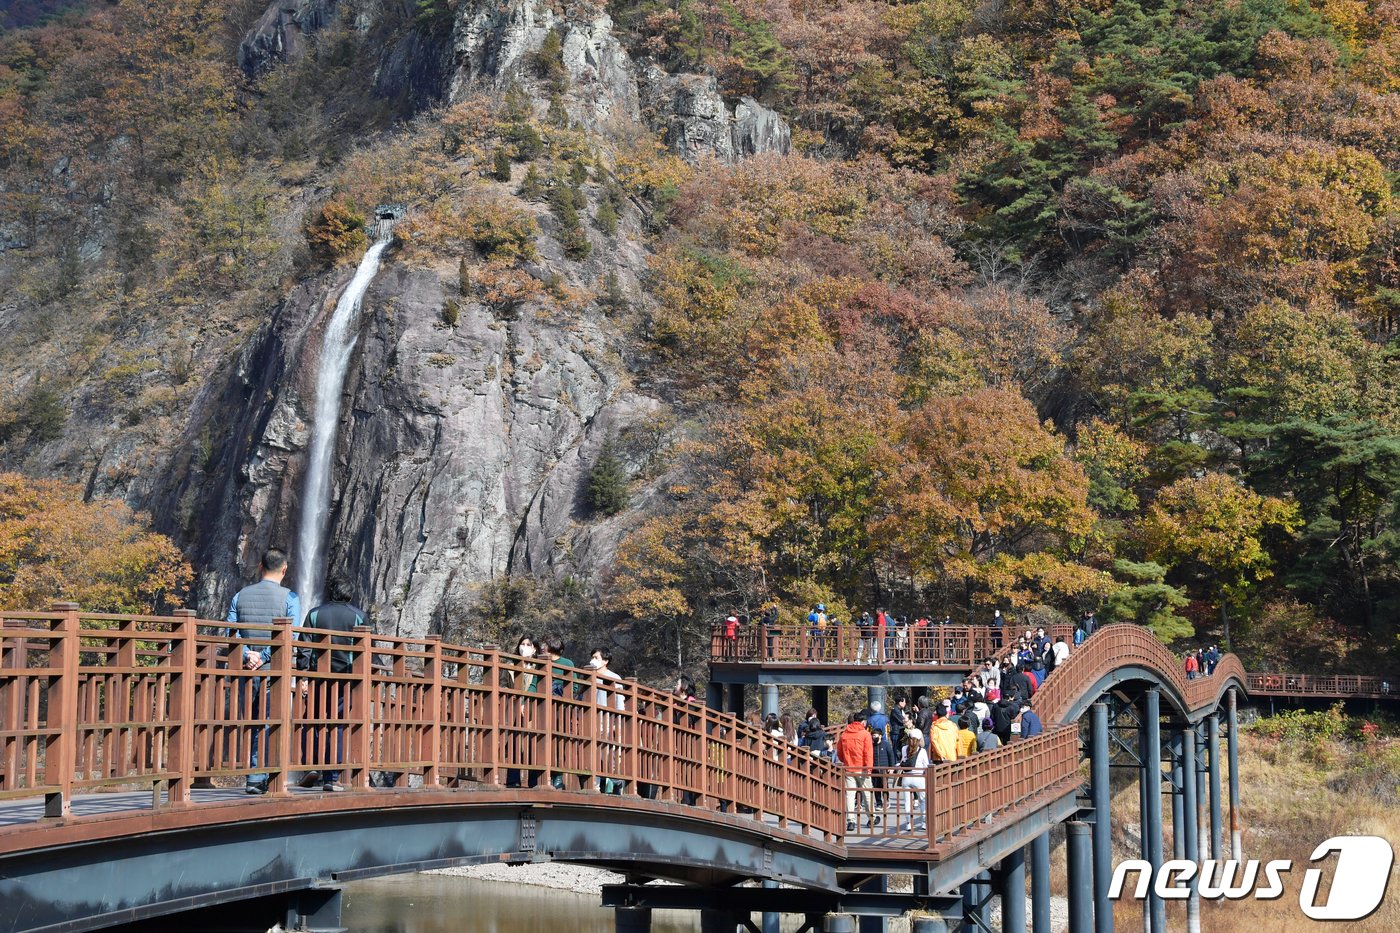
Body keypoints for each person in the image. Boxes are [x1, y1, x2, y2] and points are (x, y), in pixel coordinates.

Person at [227, 549, 300, 795]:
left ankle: (254, 775)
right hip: (273, 672)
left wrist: (249, 653)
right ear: (284, 568)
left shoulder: (240, 595)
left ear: (260, 566)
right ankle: (260, 776)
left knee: (251, 721)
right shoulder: (290, 598)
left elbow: (232, 631)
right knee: (269, 722)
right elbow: (292, 635)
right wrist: (266, 656)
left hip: (247, 670)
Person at [295, 583, 363, 792]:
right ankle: (331, 777)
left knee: (314, 721)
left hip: (318, 678)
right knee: (338, 725)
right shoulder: (358, 616)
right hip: (346, 679)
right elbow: (366, 648)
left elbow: (304, 648)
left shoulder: (315, 614)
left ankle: (311, 766)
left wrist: (303, 674)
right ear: (350, 594)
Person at [837, 711, 877, 831]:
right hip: (862, 768)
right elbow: (868, 753)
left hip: (849, 767)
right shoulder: (865, 734)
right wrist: (869, 768)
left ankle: (851, 821)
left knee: (850, 795)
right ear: (863, 722)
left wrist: (845, 760)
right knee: (867, 793)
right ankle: (872, 818)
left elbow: (839, 752)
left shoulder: (844, 734)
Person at [897, 730, 930, 830]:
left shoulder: (904, 749)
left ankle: (908, 824)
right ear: (920, 740)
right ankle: (924, 823)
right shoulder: (922, 751)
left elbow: (903, 761)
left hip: (906, 778)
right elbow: (927, 766)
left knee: (907, 801)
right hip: (919, 777)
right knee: (922, 801)